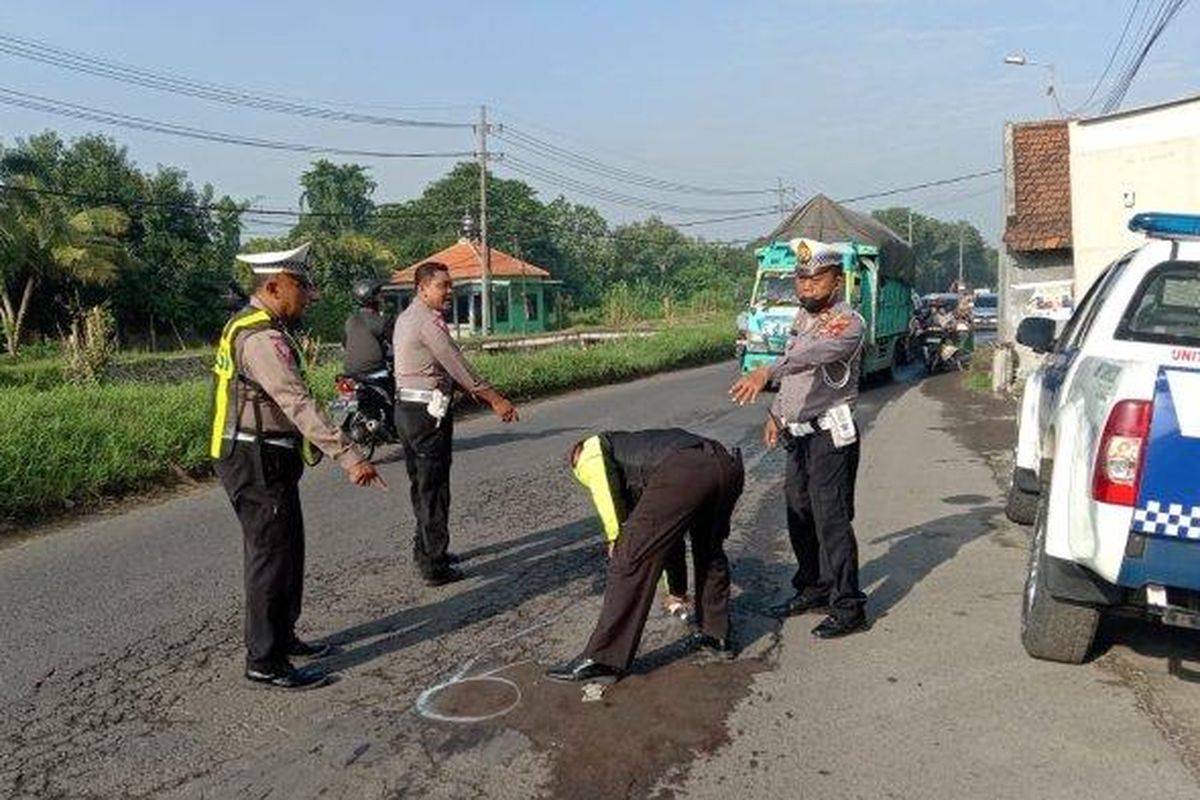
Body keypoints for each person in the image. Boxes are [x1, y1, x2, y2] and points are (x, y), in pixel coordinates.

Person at [209, 242, 385, 690]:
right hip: (255, 454)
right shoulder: (262, 337)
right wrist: (349, 456)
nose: (308, 295)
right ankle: (265, 660)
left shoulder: (260, 326)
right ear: (273, 285)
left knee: (287, 548)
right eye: (301, 286)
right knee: (270, 556)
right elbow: (296, 402)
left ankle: (284, 636)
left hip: (268, 453)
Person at [729, 243, 869, 639]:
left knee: (832, 521)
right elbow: (796, 377)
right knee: (799, 515)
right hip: (801, 435)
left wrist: (765, 371)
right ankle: (813, 587)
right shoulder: (802, 319)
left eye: (816, 279)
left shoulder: (848, 322)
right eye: (801, 280)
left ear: (836, 281)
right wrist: (777, 414)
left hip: (831, 437)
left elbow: (810, 357)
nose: (807, 288)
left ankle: (848, 605)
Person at [546, 429, 744, 684]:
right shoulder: (642, 455)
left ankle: (604, 658)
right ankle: (715, 633)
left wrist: (615, 537)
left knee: (628, 559)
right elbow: (667, 541)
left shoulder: (590, 451)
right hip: (725, 464)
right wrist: (677, 591)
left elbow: (606, 494)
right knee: (709, 552)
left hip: (684, 471)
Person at [392, 261, 519, 586]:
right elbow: (457, 365)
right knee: (433, 488)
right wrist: (495, 399)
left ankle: (428, 550)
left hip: (410, 410)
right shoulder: (426, 323)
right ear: (423, 288)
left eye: (450, 285)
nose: (449, 291)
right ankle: (434, 564)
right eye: (443, 286)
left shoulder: (408, 316)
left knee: (422, 486)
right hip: (425, 415)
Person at [343, 278, 393, 377]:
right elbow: (396, 343)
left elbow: (345, 343)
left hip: (350, 373)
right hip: (374, 372)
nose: (382, 298)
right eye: (379, 295)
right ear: (375, 299)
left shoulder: (350, 320)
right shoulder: (381, 321)